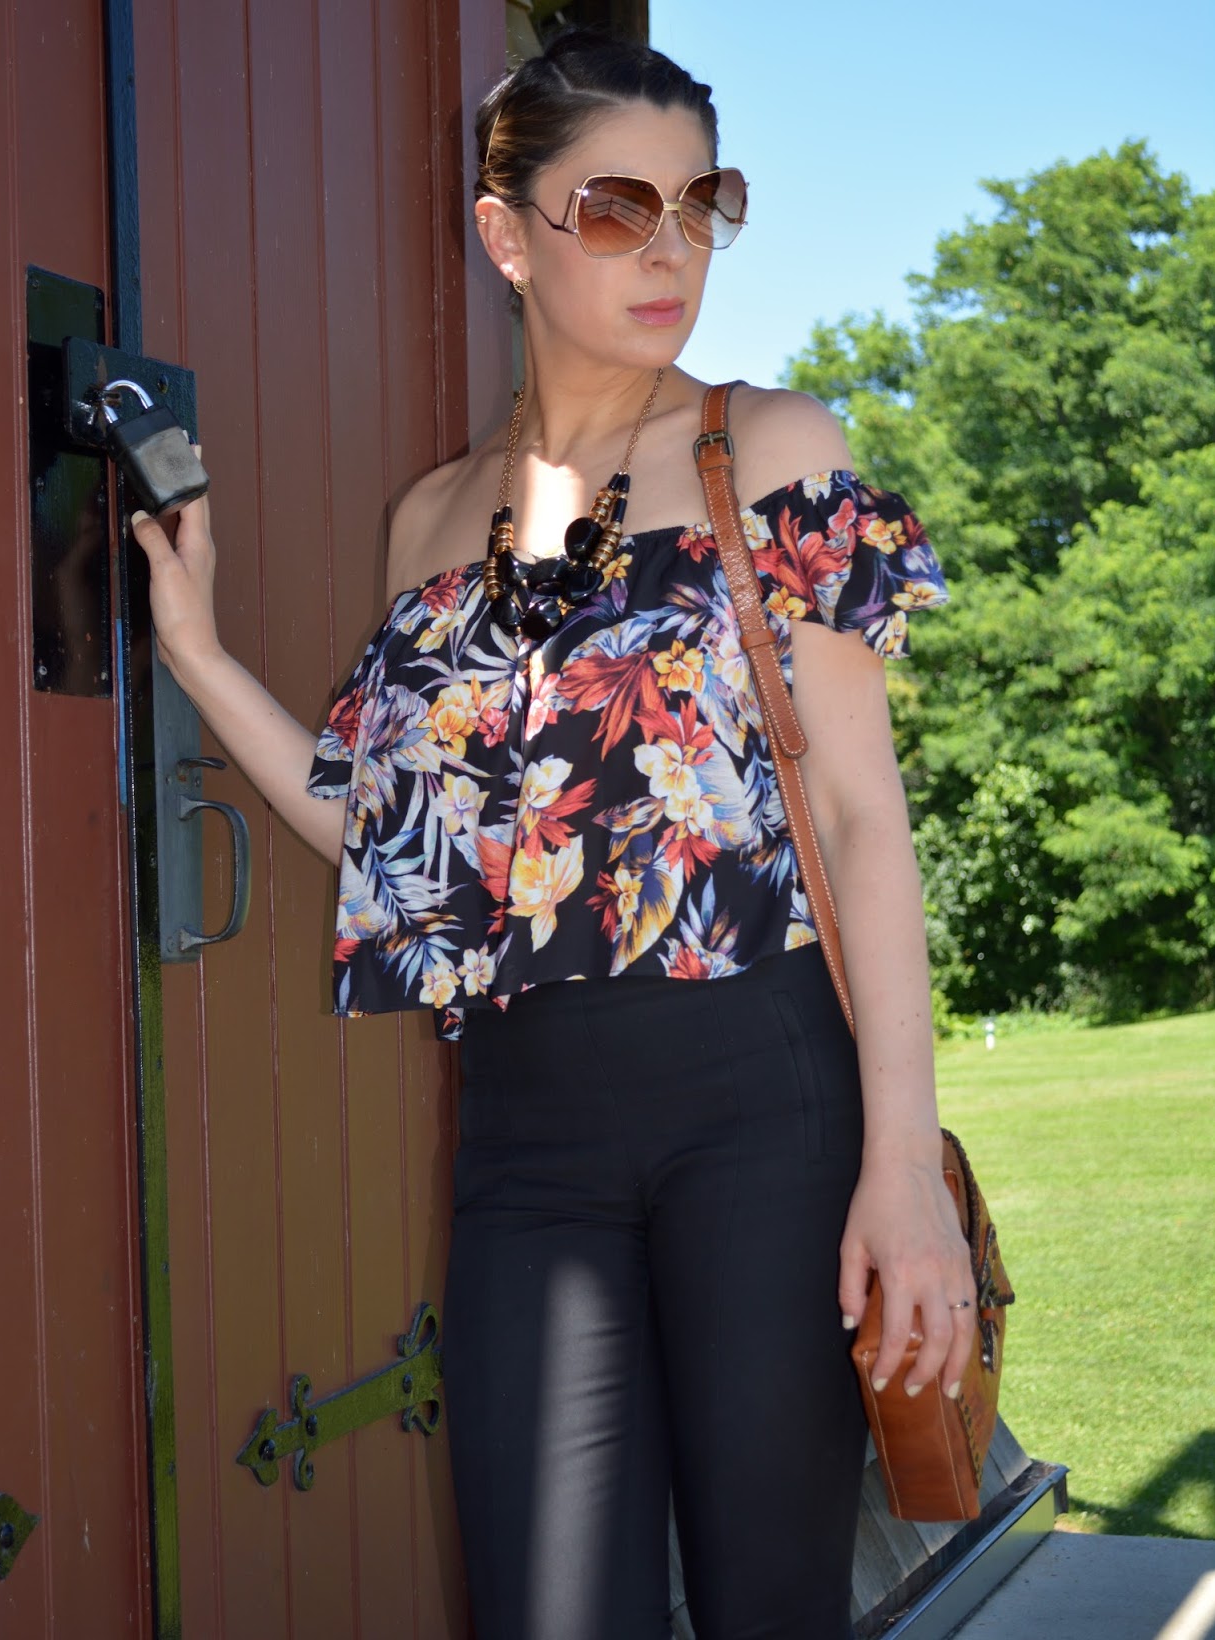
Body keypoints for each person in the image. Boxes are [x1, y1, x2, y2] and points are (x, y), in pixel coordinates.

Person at [132, 27, 976, 1640]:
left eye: (700, 205)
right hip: (526, 1143)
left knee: (770, 1605)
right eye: (614, 208)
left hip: (764, 1108)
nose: (669, 251)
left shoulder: (767, 447)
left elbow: (864, 820)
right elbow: (397, 848)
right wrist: (201, 658)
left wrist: (901, 1171)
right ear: (505, 232)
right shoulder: (430, 520)